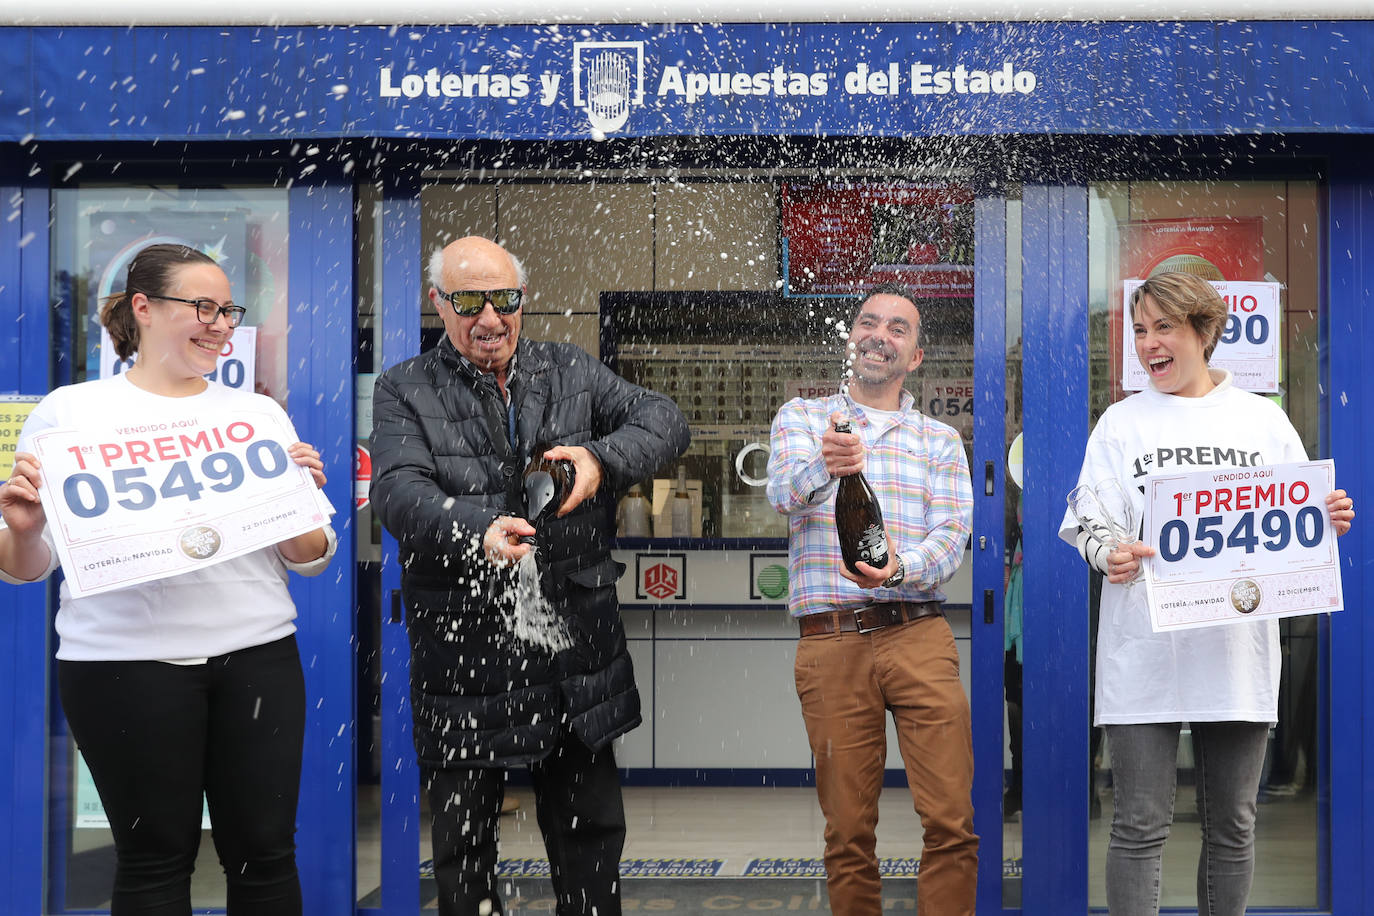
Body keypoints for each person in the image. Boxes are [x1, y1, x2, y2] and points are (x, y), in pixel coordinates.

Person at [0, 243, 336, 914]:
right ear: (144, 309)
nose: (219, 323)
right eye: (202, 306)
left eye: (227, 310)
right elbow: (25, 570)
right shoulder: (69, 417)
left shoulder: (256, 416)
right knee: (153, 860)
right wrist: (25, 528)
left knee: (266, 854)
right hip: (121, 663)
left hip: (257, 653)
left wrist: (297, 498)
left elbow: (310, 556)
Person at [369, 236, 690, 916]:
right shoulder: (404, 387)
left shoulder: (569, 368)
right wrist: (474, 528)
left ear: (523, 300)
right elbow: (398, 494)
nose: (490, 317)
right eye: (468, 301)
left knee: (591, 848)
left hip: (574, 657)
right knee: (465, 857)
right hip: (464, 663)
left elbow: (664, 420)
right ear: (438, 304)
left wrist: (603, 460)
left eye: (505, 299)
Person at [1059, 271, 1354, 916]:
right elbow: (1087, 517)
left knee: (1232, 828)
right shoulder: (1120, 422)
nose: (1149, 344)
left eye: (1164, 327)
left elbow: (1292, 524)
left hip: (1234, 653)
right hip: (1143, 653)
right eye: (1140, 330)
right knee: (1137, 825)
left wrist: (1322, 517)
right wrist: (1108, 549)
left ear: (1205, 331)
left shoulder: (1262, 420)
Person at [766, 282, 978, 916]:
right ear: (851, 338)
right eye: (868, 322)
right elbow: (780, 495)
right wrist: (823, 468)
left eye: (898, 328)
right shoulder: (804, 419)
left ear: (915, 356)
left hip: (918, 634)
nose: (879, 335)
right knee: (848, 832)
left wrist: (897, 569)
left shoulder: (941, 440)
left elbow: (952, 537)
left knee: (951, 820)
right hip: (830, 641)